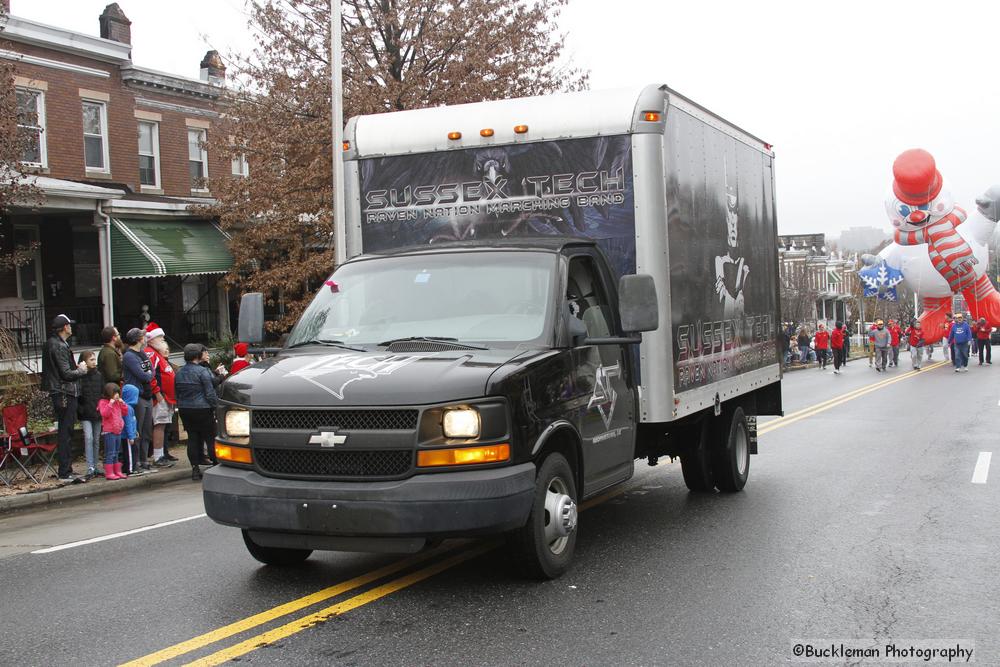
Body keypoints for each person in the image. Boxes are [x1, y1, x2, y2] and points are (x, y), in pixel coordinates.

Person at [40, 314, 89, 483]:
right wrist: (81, 370)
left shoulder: (53, 343)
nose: (71, 327)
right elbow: (66, 374)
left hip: (59, 391)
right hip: (64, 392)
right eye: (69, 325)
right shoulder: (59, 345)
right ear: (64, 327)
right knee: (66, 431)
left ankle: (66, 469)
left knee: (65, 430)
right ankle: (65, 471)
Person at [176, 343, 220, 480]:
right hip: (202, 408)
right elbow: (210, 393)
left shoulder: (179, 372)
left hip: (185, 409)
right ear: (197, 356)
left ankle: (195, 469)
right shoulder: (202, 371)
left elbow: (177, 392)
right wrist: (216, 407)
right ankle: (216, 465)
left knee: (193, 438)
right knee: (210, 437)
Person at [122, 328, 155, 473]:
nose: (145, 338)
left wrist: (148, 373)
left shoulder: (142, 353)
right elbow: (143, 375)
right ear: (139, 339)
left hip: (147, 394)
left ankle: (144, 459)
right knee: (137, 429)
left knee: (147, 430)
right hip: (137, 395)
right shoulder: (129, 356)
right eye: (143, 336)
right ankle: (135, 462)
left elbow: (151, 371)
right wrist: (148, 374)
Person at [144, 322, 177, 467]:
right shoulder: (151, 353)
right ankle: (158, 456)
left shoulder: (158, 354)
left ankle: (162, 453)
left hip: (166, 397)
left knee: (163, 425)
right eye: (160, 338)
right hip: (160, 397)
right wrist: (157, 393)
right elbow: (150, 376)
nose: (163, 341)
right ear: (151, 339)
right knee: (159, 425)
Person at [77, 350, 104, 479]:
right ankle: (90, 466)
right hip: (85, 412)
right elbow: (78, 395)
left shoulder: (99, 375)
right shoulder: (80, 377)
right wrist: (80, 409)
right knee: (89, 438)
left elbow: (102, 392)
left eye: (94, 359)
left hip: (97, 411)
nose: (94, 362)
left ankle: (96, 466)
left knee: (96, 439)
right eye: (91, 360)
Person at [97, 383, 129, 480]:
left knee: (117, 452)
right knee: (110, 452)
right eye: (115, 393)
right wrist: (110, 404)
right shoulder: (103, 402)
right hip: (109, 431)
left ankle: (117, 471)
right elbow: (104, 413)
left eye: (118, 393)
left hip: (118, 430)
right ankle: (109, 472)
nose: (117, 395)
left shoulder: (118, 403)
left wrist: (122, 403)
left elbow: (125, 412)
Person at [121, 384, 142, 476]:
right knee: (129, 453)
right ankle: (130, 469)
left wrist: (135, 431)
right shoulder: (128, 409)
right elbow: (128, 424)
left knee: (131, 452)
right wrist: (131, 436)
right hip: (127, 436)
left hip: (131, 434)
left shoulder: (130, 408)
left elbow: (133, 422)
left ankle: (129, 467)